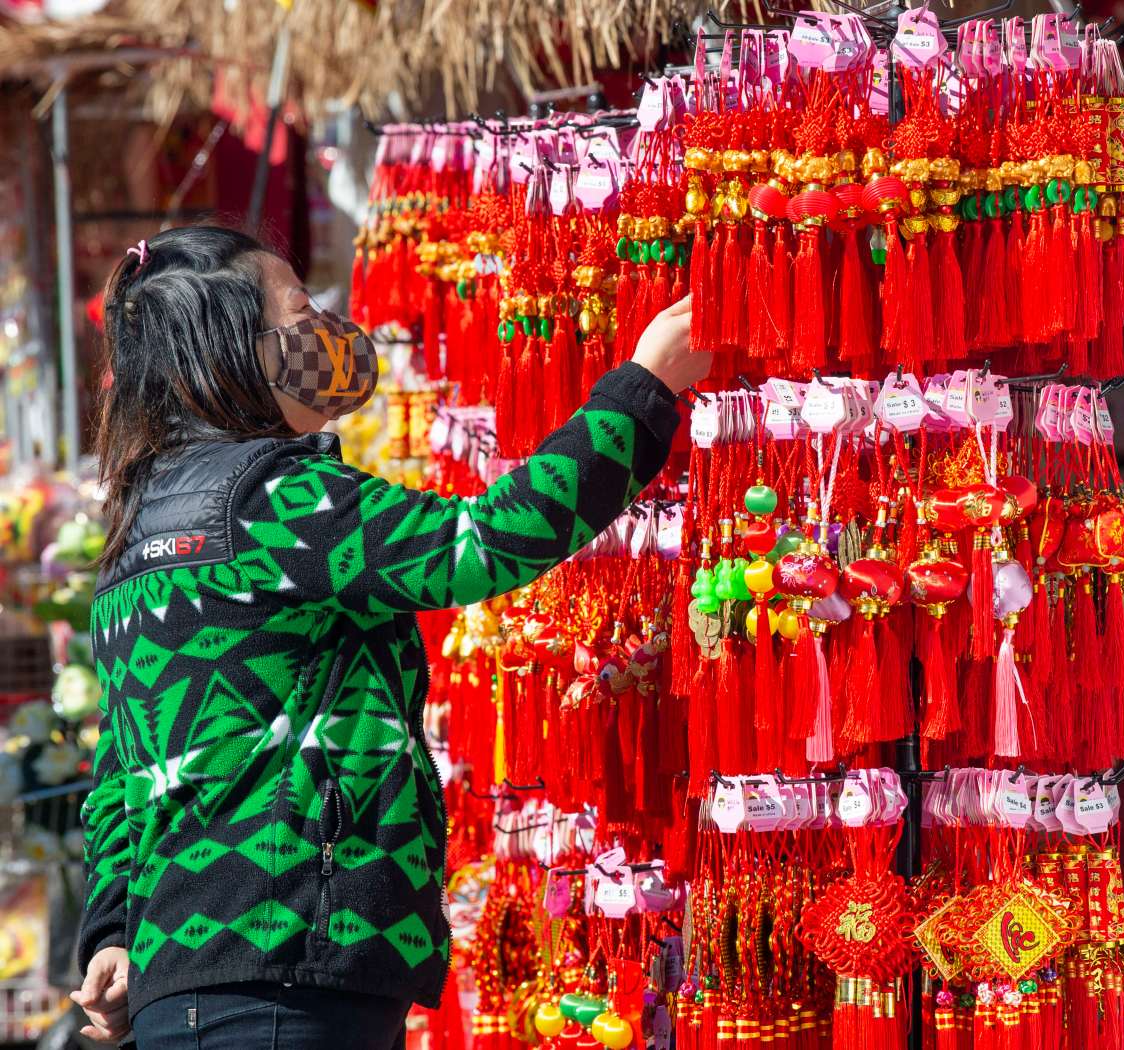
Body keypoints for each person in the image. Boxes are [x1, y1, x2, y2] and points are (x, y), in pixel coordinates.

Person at [71, 225, 709, 1048]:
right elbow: (483, 543)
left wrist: (112, 931)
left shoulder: (136, 533)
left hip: (198, 979)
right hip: (285, 971)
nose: (325, 330)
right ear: (230, 347)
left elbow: (119, 769)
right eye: (299, 310)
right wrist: (644, 390)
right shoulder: (271, 501)